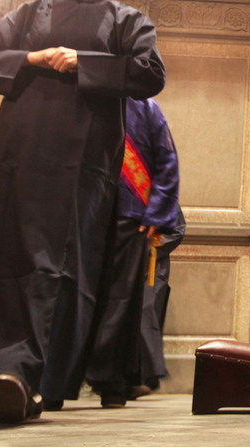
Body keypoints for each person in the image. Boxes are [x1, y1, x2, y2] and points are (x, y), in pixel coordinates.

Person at [0, 0, 166, 423]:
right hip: (20, 156)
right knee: (11, 257)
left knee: (64, 266)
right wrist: (31, 57)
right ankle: (5, 372)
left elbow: (150, 74)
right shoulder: (31, 12)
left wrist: (83, 62)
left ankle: (34, 378)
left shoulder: (126, 19)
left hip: (85, 164)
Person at [86, 96, 186, 407]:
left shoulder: (145, 107)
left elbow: (166, 161)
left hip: (130, 218)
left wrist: (156, 212)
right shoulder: (79, 97)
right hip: (83, 213)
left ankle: (112, 382)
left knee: (120, 304)